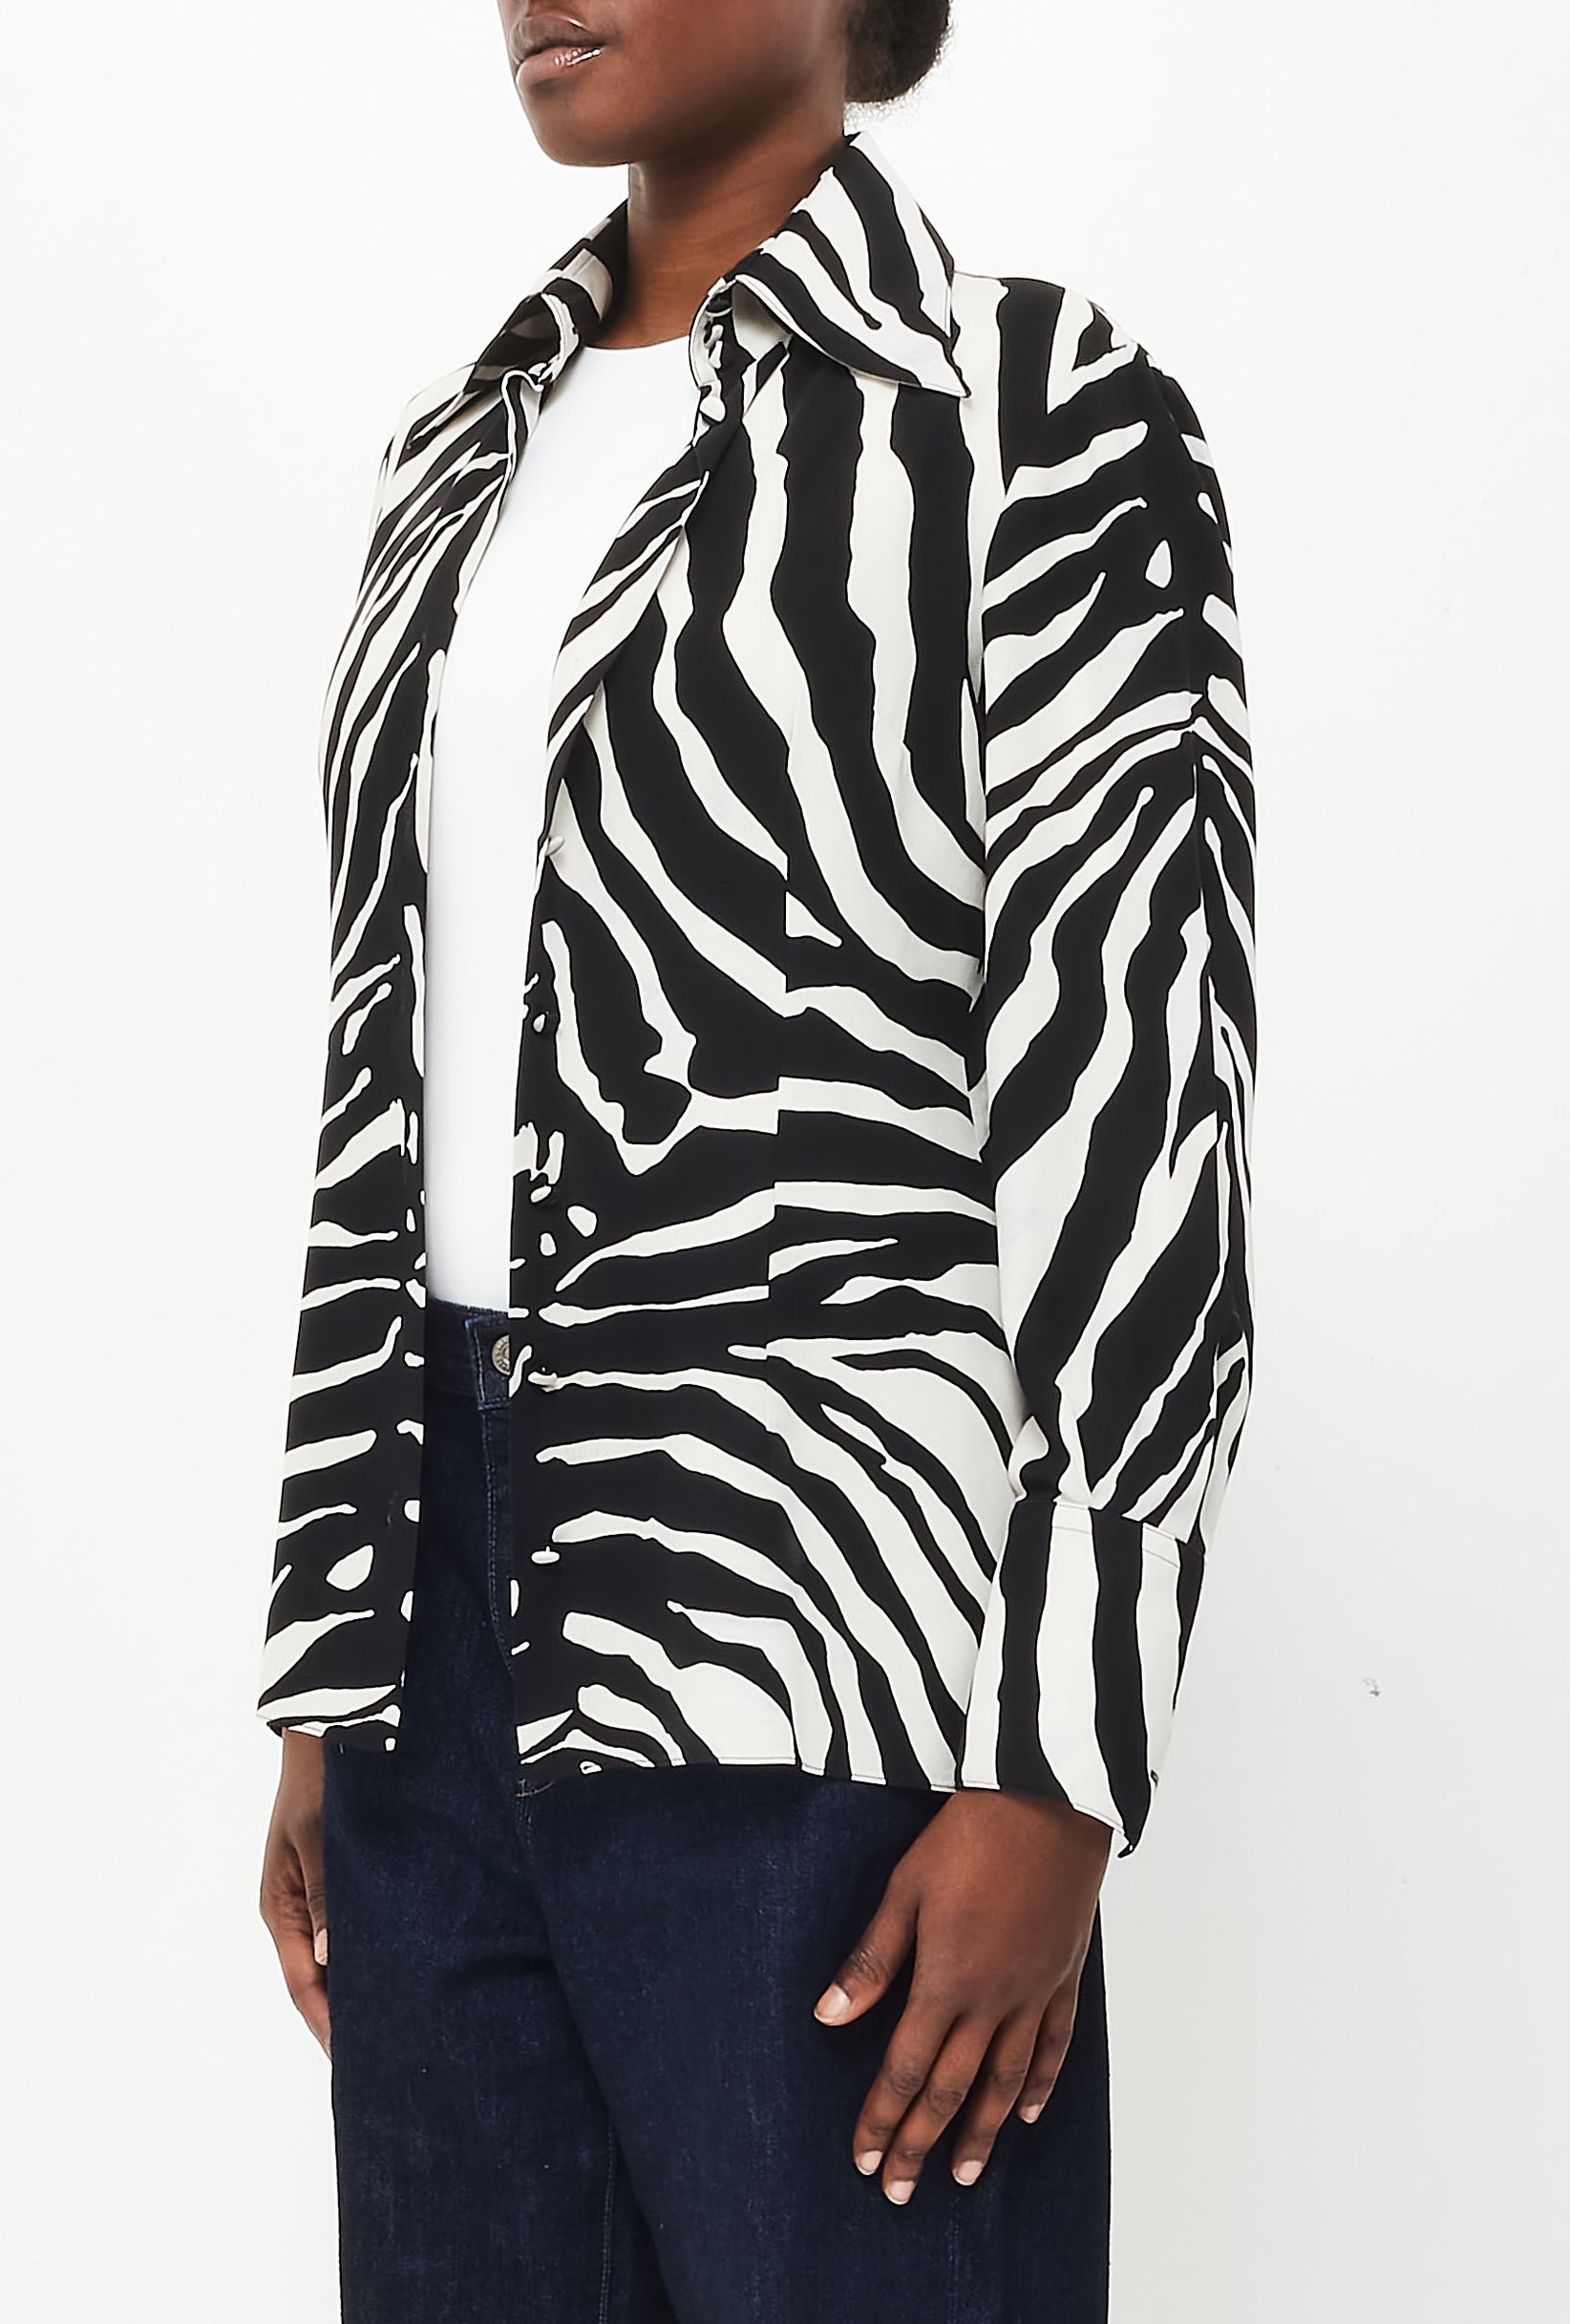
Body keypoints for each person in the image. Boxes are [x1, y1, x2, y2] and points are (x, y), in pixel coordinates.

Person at [258, 1, 1255, 2316]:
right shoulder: (457, 457)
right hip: (437, 1645)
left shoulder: (1031, 411)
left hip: (830, 1647)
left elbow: (1140, 1108)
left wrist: (1060, 1765)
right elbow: (384, 1072)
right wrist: (333, 1654)